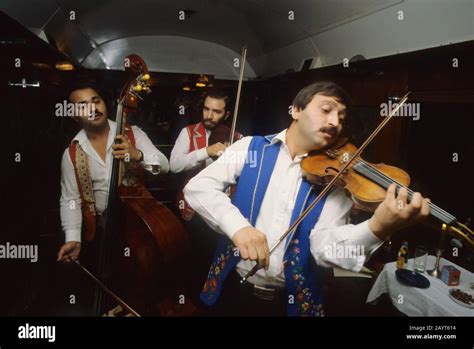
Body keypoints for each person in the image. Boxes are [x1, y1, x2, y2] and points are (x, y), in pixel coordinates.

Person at [184, 81, 430, 317]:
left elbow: (325, 249)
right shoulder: (249, 148)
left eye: (341, 118)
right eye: (326, 110)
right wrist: (238, 228)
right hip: (232, 286)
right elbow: (198, 187)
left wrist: (378, 227)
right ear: (296, 110)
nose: (335, 122)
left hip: (291, 302)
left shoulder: (335, 179)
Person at [57, 83, 169, 264]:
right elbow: (70, 199)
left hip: (139, 224)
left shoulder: (134, 134)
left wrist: (137, 155)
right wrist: (73, 238)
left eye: (96, 101)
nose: (93, 108)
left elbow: (165, 165)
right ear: (74, 115)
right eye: (83, 105)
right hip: (101, 229)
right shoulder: (71, 153)